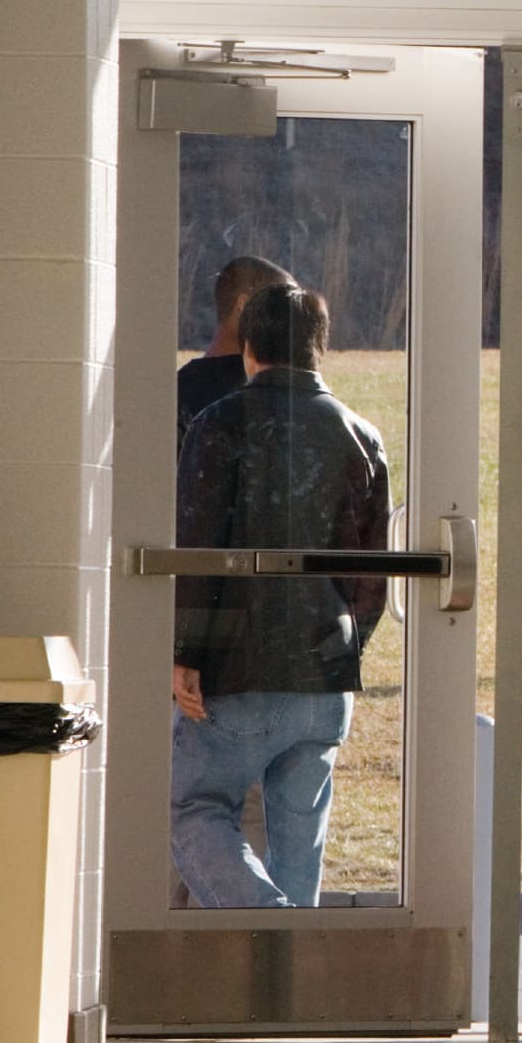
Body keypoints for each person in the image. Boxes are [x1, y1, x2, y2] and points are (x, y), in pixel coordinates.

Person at [169, 284, 389, 908]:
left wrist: (187, 651)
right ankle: (290, 974)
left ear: (247, 348)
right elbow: (373, 572)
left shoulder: (219, 425)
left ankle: (270, 925)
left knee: (194, 812)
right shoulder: (361, 436)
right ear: (322, 349)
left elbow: (200, 548)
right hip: (325, 676)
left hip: (237, 671)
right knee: (300, 840)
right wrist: (345, 641)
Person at [178, 255, 295, 430]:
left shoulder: (176, 390)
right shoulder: (268, 395)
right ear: (243, 305)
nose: (293, 322)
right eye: (282, 308)